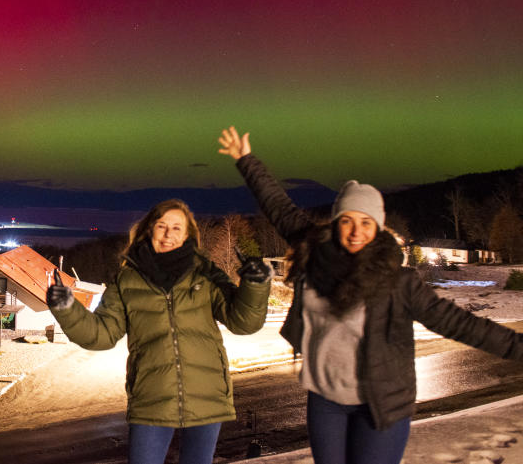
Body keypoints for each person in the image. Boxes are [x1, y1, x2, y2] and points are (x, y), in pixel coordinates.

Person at [218, 125, 523, 464]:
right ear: (336, 223)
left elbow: (461, 324)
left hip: (381, 404)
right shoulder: (314, 251)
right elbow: (277, 205)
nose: (356, 231)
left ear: (378, 227)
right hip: (325, 401)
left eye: (366, 223)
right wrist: (246, 159)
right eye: (348, 221)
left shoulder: (397, 281)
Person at [46, 193, 272, 464]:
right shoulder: (127, 280)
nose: (168, 234)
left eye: (177, 228)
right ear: (149, 230)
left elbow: (243, 322)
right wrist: (67, 309)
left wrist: (255, 285)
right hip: (150, 398)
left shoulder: (205, 272)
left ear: (188, 235)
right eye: (162, 226)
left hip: (207, 395)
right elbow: (102, 335)